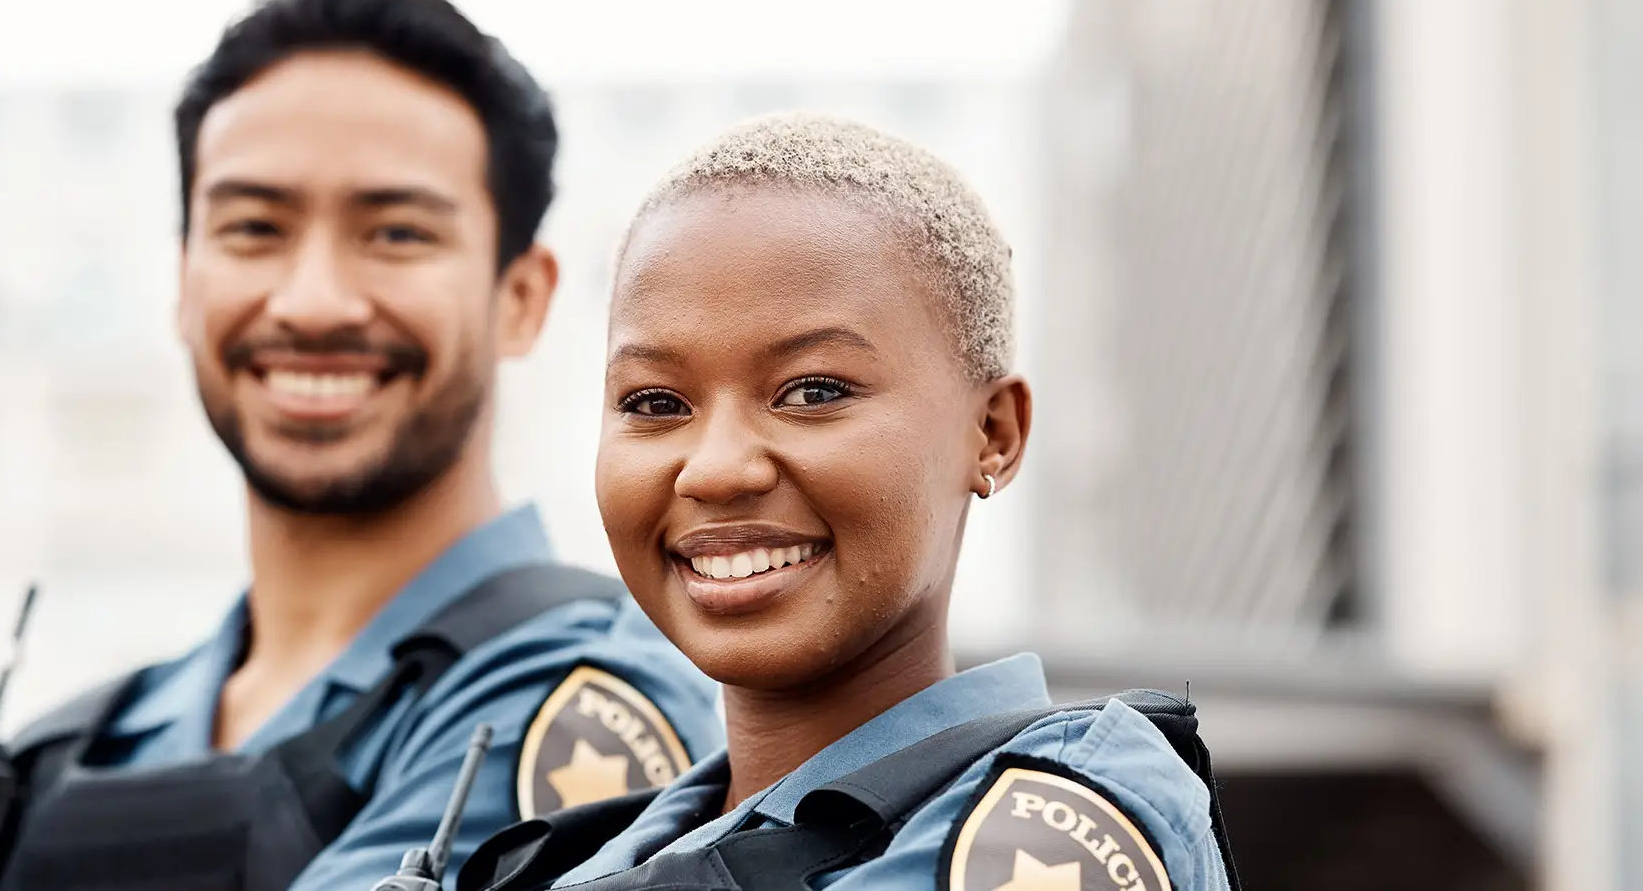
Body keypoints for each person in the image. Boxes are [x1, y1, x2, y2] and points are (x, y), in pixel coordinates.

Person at [0, 0, 723, 889]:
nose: (313, 300)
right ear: (182, 282)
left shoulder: (574, 708)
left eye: (396, 232)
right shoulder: (38, 769)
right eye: (254, 229)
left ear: (521, 297)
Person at [458, 113, 1238, 891]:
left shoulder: (1050, 822)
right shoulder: (566, 861)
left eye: (814, 391)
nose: (717, 470)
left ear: (993, 433)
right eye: (656, 403)